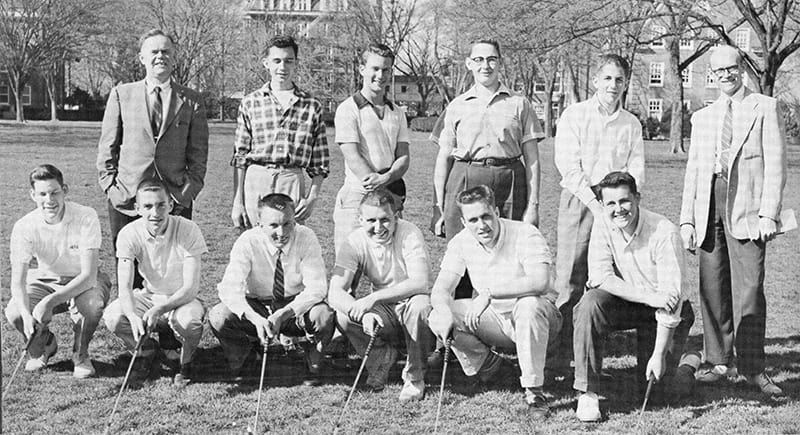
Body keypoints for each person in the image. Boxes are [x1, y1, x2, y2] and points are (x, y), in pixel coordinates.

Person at [679, 45, 787, 396]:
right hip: (708, 202)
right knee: (712, 286)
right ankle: (719, 360)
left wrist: (769, 212)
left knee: (750, 289)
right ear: (712, 74)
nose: (725, 74)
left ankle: (754, 368)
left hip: (748, 208)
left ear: (742, 69)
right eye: (719, 70)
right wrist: (687, 221)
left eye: (732, 68)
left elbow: (776, 165)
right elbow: (693, 170)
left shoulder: (764, 107)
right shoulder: (703, 116)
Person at [428, 185, 561, 419]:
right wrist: (442, 310)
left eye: (486, 216)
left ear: (497, 211)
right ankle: (493, 368)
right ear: (463, 221)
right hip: (497, 321)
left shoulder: (525, 232)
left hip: (540, 320)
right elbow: (441, 288)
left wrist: (489, 293)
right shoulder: (461, 242)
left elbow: (540, 282)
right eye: (473, 220)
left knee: (529, 305)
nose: (481, 225)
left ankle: (534, 392)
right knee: (438, 314)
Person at [572, 171, 696, 422]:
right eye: (611, 203)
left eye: (624, 201)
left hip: (667, 313)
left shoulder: (664, 232)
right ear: (603, 205)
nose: (618, 209)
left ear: (637, 198)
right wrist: (648, 297)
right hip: (634, 301)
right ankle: (588, 393)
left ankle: (689, 365)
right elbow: (600, 276)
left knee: (658, 395)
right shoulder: (603, 223)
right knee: (590, 303)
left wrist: (659, 355)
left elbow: (671, 300)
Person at [97, 28, 209, 305]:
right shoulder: (122, 94)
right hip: (128, 198)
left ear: (175, 58)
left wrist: (186, 193)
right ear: (142, 58)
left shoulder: (192, 101)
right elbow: (107, 147)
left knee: (173, 267)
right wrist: (111, 187)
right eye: (154, 52)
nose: (160, 56)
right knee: (130, 268)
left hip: (174, 199)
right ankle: (139, 339)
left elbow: (199, 156)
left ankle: (171, 338)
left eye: (166, 51)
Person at [552, 54, 645, 367]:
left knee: (609, 276)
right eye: (607, 78)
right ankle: (561, 356)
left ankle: (593, 356)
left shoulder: (631, 123)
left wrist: (622, 203)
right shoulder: (575, 115)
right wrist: (595, 203)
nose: (613, 85)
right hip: (580, 201)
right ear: (595, 81)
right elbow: (568, 166)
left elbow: (636, 168)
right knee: (570, 278)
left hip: (617, 204)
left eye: (619, 80)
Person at [210, 193, 334, 386]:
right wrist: (255, 318)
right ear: (260, 224)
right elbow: (229, 288)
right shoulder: (248, 240)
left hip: (295, 305)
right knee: (219, 315)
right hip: (258, 305)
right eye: (273, 225)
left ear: (295, 220)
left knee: (323, 315)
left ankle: (313, 361)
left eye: (287, 224)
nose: (281, 232)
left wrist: (284, 314)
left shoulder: (306, 236)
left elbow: (317, 287)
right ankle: (247, 356)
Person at [327, 188, 434, 402]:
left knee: (420, 306)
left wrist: (373, 298)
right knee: (344, 315)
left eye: (385, 220)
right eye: (371, 221)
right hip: (384, 310)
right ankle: (382, 359)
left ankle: (415, 378)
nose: (378, 228)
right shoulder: (354, 241)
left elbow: (420, 282)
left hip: (411, 302)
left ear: (395, 216)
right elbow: (335, 292)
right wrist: (364, 314)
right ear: (360, 219)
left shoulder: (409, 232)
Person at [5, 164, 111, 379]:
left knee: (91, 306)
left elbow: (89, 275)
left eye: (55, 192)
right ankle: (43, 346)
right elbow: (18, 281)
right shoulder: (24, 225)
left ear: (65, 190)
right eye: (42, 194)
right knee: (15, 312)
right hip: (45, 279)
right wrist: (27, 315)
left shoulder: (85, 216)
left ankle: (80, 355)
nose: (49, 200)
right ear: (32, 195)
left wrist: (49, 302)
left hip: (83, 280)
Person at [433, 39, 543, 240]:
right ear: (469, 64)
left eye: (492, 59)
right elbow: (444, 158)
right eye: (479, 59)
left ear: (500, 63)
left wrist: (533, 206)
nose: (486, 66)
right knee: (464, 250)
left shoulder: (519, 103)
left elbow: (533, 159)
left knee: (510, 247)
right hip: (466, 177)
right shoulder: (456, 106)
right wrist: (439, 207)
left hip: (510, 180)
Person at [103, 178, 207, 388]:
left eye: (161, 205)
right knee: (114, 317)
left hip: (182, 300)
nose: (155, 212)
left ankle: (185, 364)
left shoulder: (188, 229)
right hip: (149, 296)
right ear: (137, 208)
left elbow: (190, 288)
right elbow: (124, 286)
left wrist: (161, 309)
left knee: (189, 323)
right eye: (148, 206)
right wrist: (132, 315)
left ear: (171, 204)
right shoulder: (128, 233)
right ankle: (146, 351)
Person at [230, 35, 330, 228]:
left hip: (291, 178)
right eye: (277, 61)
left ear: (296, 64)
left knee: (289, 245)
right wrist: (238, 202)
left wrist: (311, 198)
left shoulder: (311, 105)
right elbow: (240, 157)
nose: (282, 67)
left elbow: (320, 162)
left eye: (288, 61)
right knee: (254, 243)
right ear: (266, 63)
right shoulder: (251, 102)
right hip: (257, 178)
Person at [333, 43, 410, 252]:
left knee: (387, 266)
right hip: (357, 195)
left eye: (386, 69)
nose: (380, 75)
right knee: (349, 267)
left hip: (389, 195)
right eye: (375, 68)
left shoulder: (398, 112)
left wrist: (388, 180)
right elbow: (353, 156)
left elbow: (403, 156)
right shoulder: (347, 109)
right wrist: (378, 185)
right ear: (362, 69)